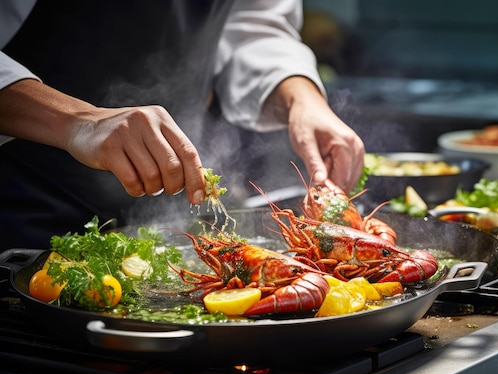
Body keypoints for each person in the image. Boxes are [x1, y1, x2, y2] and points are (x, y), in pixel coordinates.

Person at [0, 0, 365, 251]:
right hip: (26, 204)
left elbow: (253, 28)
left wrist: (302, 97)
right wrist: (77, 121)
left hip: (173, 207)